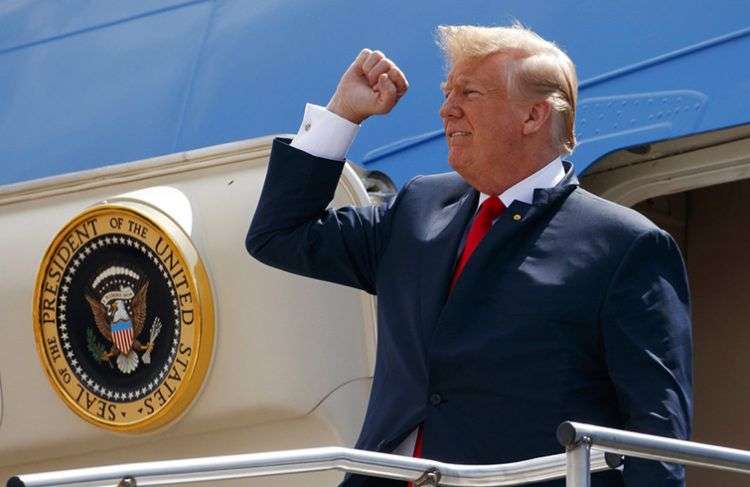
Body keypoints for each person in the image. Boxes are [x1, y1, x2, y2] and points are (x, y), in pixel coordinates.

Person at [246, 24, 692, 487]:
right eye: (446, 91)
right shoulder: (418, 207)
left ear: (534, 116)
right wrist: (343, 114)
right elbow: (280, 235)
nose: (446, 109)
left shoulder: (626, 245)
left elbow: (655, 439)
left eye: (469, 92)